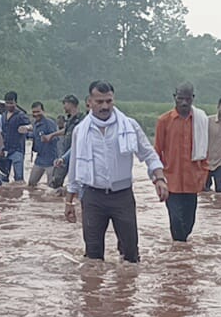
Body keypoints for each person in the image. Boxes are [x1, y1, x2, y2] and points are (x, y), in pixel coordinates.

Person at [65, 80, 169, 263]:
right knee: (93, 255)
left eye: (109, 101)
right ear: (89, 102)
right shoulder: (81, 131)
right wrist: (69, 201)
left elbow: (148, 154)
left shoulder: (129, 126)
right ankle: (94, 291)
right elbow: (74, 166)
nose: (105, 106)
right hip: (92, 197)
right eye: (100, 102)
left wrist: (159, 178)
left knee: (130, 254)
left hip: (122, 197)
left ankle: (126, 289)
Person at [154, 82, 208, 242]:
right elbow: (157, 151)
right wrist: (158, 178)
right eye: (180, 98)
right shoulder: (164, 121)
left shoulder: (200, 120)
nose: (184, 103)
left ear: (193, 98)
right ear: (174, 98)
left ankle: (182, 255)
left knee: (189, 223)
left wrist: (203, 175)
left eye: (187, 99)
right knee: (176, 222)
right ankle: (178, 258)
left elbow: (205, 151)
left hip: (192, 181)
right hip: (172, 182)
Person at [49, 94, 82, 189]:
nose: (63, 106)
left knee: (77, 184)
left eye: (65, 103)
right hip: (64, 155)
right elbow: (66, 131)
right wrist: (52, 135)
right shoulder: (69, 120)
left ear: (71, 104)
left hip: (75, 156)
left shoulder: (81, 120)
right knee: (55, 183)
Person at [24, 101, 60, 188]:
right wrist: (26, 133)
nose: (36, 114)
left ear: (43, 111)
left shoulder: (50, 123)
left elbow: (57, 138)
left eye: (38, 112)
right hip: (39, 159)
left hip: (51, 160)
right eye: (34, 112)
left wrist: (48, 138)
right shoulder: (35, 124)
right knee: (31, 184)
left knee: (52, 188)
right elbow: (34, 136)